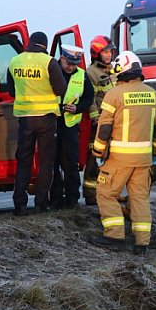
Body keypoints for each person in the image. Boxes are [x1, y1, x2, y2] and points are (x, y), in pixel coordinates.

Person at [90, 51, 156, 255]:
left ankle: (115, 236)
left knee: (106, 194)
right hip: (144, 159)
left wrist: (98, 152)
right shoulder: (153, 94)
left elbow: (104, 128)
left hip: (119, 158)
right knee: (140, 198)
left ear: (121, 72)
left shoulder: (114, 94)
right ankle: (142, 242)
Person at [7, 31, 67, 215]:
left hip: (25, 119)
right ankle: (41, 202)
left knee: (23, 160)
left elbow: (11, 91)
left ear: (30, 42)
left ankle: (19, 204)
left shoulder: (15, 61)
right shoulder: (48, 61)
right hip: (46, 118)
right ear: (45, 45)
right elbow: (61, 89)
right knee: (46, 161)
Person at [50, 44, 94, 209]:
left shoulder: (82, 75)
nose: (71, 67)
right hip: (52, 122)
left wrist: (78, 108)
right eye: (69, 63)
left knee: (70, 163)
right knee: (52, 163)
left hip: (70, 125)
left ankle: (72, 199)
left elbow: (89, 98)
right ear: (61, 58)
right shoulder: (52, 71)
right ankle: (55, 199)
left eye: (75, 64)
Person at [82, 35, 117, 205]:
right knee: (94, 158)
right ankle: (90, 194)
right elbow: (91, 98)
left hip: (115, 121)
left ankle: (109, 192)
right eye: (105, 52)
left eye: (110, 51)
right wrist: (96, 119)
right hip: (101, 122)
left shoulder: (114, 70)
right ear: (97, 53)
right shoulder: (91, 73)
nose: (109, 54)